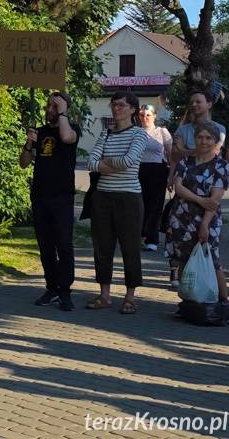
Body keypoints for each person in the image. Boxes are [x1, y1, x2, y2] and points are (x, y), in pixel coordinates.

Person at [86, 92, 148, 314]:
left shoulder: (139, 135)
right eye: (114, 105)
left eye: (121, 105)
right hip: (103, 197)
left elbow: (129, 161)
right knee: (102, 248)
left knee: (130, 248)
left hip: (129, 198)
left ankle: (130, 297)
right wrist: (111, 165)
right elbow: (91, 162)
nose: (116, 108)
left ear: (132, 109)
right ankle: (104, 295)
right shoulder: (106, 133)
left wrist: (105, 163)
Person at [19, 92, 80, 311]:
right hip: (40, 196)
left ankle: (65, 291)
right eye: (48, 106)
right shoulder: (40, 131)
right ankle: (51, 288)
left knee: (63, 245)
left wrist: (62, 111)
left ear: (64, 109)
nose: (49, 110)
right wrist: (29, 143)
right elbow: (24, 163)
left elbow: (65, 138)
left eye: (54, 106)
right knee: (45, 247)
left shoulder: (72, 129)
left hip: (62, 197)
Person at [165, 121, 229, 312]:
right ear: (194, 139)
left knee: (212, 259)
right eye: (200, 137)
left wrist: (204, 224)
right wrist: (201, 201)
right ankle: (190, 301)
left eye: (208, 138)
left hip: (207, 219)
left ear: (215, 141)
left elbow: (215, 199)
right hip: (182, 217)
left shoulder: (221, 165)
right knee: (185, 258)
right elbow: (178, 187)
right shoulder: (186, 162)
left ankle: (224, 303)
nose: (204, 141)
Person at [137, 104, 172, 252]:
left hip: (157, 170)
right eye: (142, 115)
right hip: (138, 170)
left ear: (154, 116)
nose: (144, 118)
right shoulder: (135, 132)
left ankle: (152, 239)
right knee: (138, 204)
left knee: (155, 206)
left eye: (148, 115)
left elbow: (171, 155)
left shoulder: (162, 131)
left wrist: (171, 175)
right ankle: (137, 235)